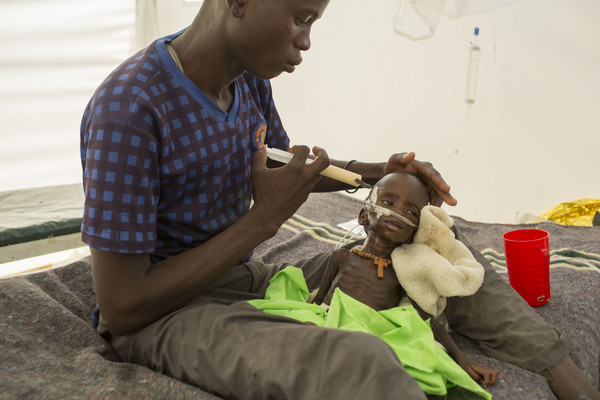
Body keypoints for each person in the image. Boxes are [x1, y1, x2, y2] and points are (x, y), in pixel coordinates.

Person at [79, 0, 599, 399]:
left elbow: (288, 166)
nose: (305, 42)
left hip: (243, 280)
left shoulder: (246, 82)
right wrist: (262, 223)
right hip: (166, 314)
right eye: (300, 19)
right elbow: (123, 309)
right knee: (359, 360)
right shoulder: (130, 109)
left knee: (430, 238)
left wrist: (383, 175)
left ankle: (558, 365)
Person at [311, 172, 499, 389]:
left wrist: (461, 358)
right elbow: (317, 300)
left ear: (412, 234)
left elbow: (424, 318)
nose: (398, 212)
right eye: (389, 202)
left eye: (411, 211)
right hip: (331, 325)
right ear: (364, 215)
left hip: (369, 341)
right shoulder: (341, 258)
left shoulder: (400, 274)